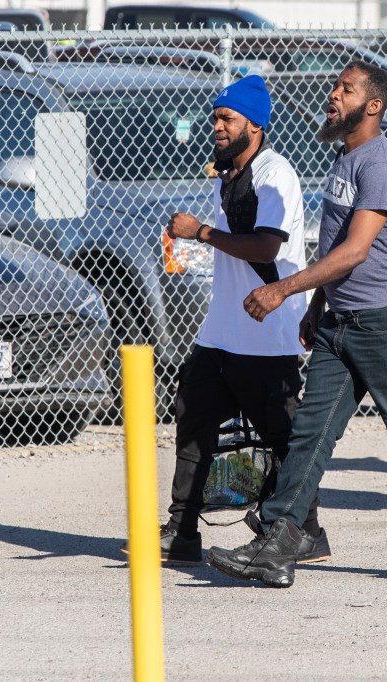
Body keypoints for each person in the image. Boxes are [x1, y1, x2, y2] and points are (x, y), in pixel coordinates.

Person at [206, 61, 387, 588]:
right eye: (335, 85)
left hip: (384, 322)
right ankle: (279, 542)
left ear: (372, 105)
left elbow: (356, 251)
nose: (333, 94)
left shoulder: (380, 166)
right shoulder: (345, 157)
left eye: (345, 89)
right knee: (311, 433)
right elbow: (334, 244)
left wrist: (284, 289)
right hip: (339, 320)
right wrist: (316, 306)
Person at [145, 75, 327, 564]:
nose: (218, 127)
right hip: (221, 334)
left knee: (283, 439)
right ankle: (182, 531)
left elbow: (266, 246)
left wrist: (200, 231)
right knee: (192, 417)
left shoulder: (274, 174)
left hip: (267, 338)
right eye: (216, 119)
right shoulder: (230, 174)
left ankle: (305, 531)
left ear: (256, 124)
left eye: (228, 119)